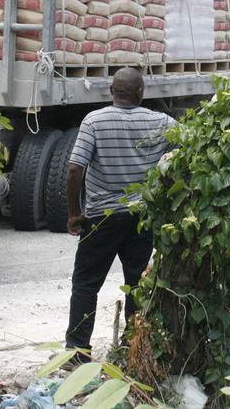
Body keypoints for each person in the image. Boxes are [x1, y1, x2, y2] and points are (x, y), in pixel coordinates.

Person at [64, 68, 175, 359]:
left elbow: (75, 168)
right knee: (137, 283)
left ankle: (78, 351)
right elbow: (191, 146)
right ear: (141, 93)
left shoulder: (94, 121)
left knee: (86, 284)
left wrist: (74, 213)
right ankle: (133, 349)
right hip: (141, 216)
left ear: (111, 89)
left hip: (101, 217)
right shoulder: (161, 121)